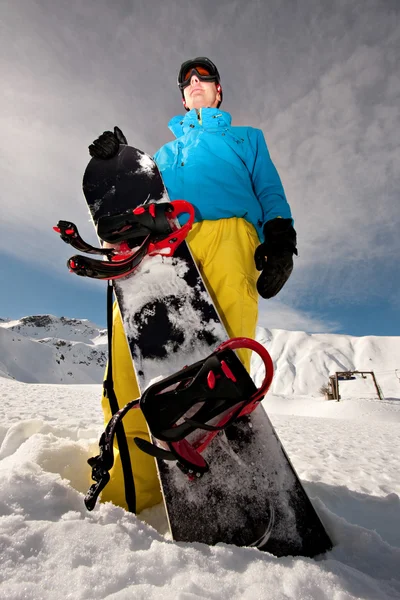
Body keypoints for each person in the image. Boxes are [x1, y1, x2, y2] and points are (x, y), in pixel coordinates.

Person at [89, 57, 297, 514]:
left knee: (223, 358)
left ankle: (220, 480)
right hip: (164, 244)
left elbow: (269, 190)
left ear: (218, 92)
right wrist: (118, 163)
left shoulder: (247, 139)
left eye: (205, 79)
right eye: (187, 81)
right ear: (182, 97)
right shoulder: (162, 155)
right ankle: (134, 490)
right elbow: (139, 199)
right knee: (140, 357)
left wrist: (280, 235)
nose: (196, 84)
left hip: (228, 234)